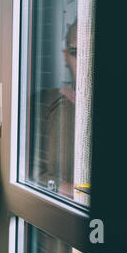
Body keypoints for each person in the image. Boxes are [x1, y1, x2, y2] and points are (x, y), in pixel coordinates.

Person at [32, 21, 77, 200]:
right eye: (76, 53)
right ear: (65, 56)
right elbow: (27, 170)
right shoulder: (45, 103)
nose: (87, 63)